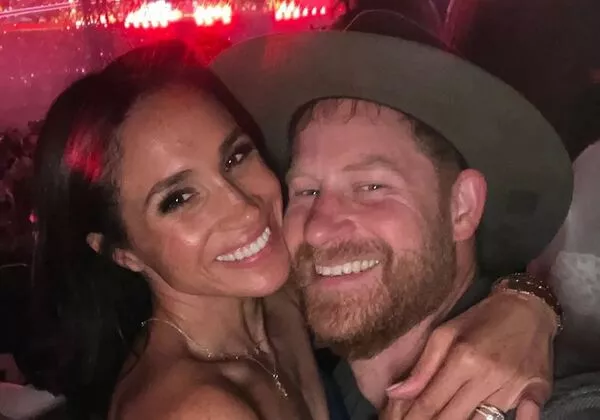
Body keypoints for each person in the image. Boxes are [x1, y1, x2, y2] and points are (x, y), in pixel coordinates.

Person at [28, 39, 561, 420]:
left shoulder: (284, 294)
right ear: (121, 252)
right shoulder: (196, 407)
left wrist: (528, 306)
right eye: (179, 199)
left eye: (236, 157)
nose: (243, 209)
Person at [210, 8, 572, 419]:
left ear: (462, 206)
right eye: (306, 191)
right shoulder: (295, 390)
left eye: (370, 187)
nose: (317, 230)